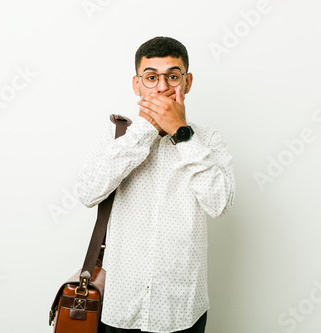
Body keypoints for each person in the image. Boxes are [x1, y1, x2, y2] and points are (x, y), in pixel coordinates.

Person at [76, 36, 235, 333]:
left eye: (172, 76)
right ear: (137, 85)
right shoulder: (115, 136)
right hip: (122, 307)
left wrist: (181, 133)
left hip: (182, 308)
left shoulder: (209, 140)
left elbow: (220, 204)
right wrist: (147, 129)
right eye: (151, 77)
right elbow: (87, 193)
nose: (162, 87)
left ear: (187, 83)